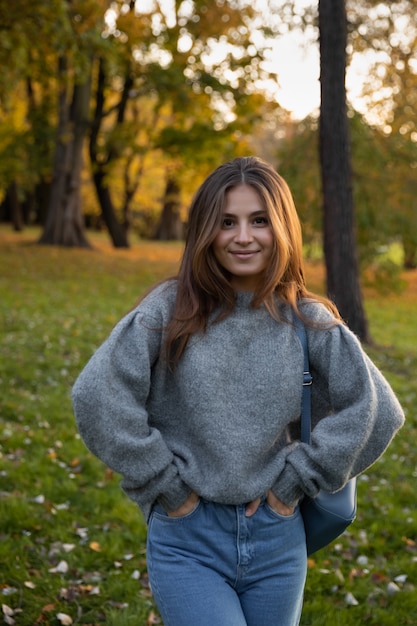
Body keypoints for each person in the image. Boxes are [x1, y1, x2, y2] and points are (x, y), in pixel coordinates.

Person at [72, 156, 404, 626]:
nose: (243, 236)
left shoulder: (308, 321)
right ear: (206, 229)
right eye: (227, 222)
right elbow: (95, 397)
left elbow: (378, 410)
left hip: (277, 540)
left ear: (282, 228)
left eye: (259, 221)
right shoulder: (169, 311)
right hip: (188, 537)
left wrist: (296, 481)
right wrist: (164, 485)